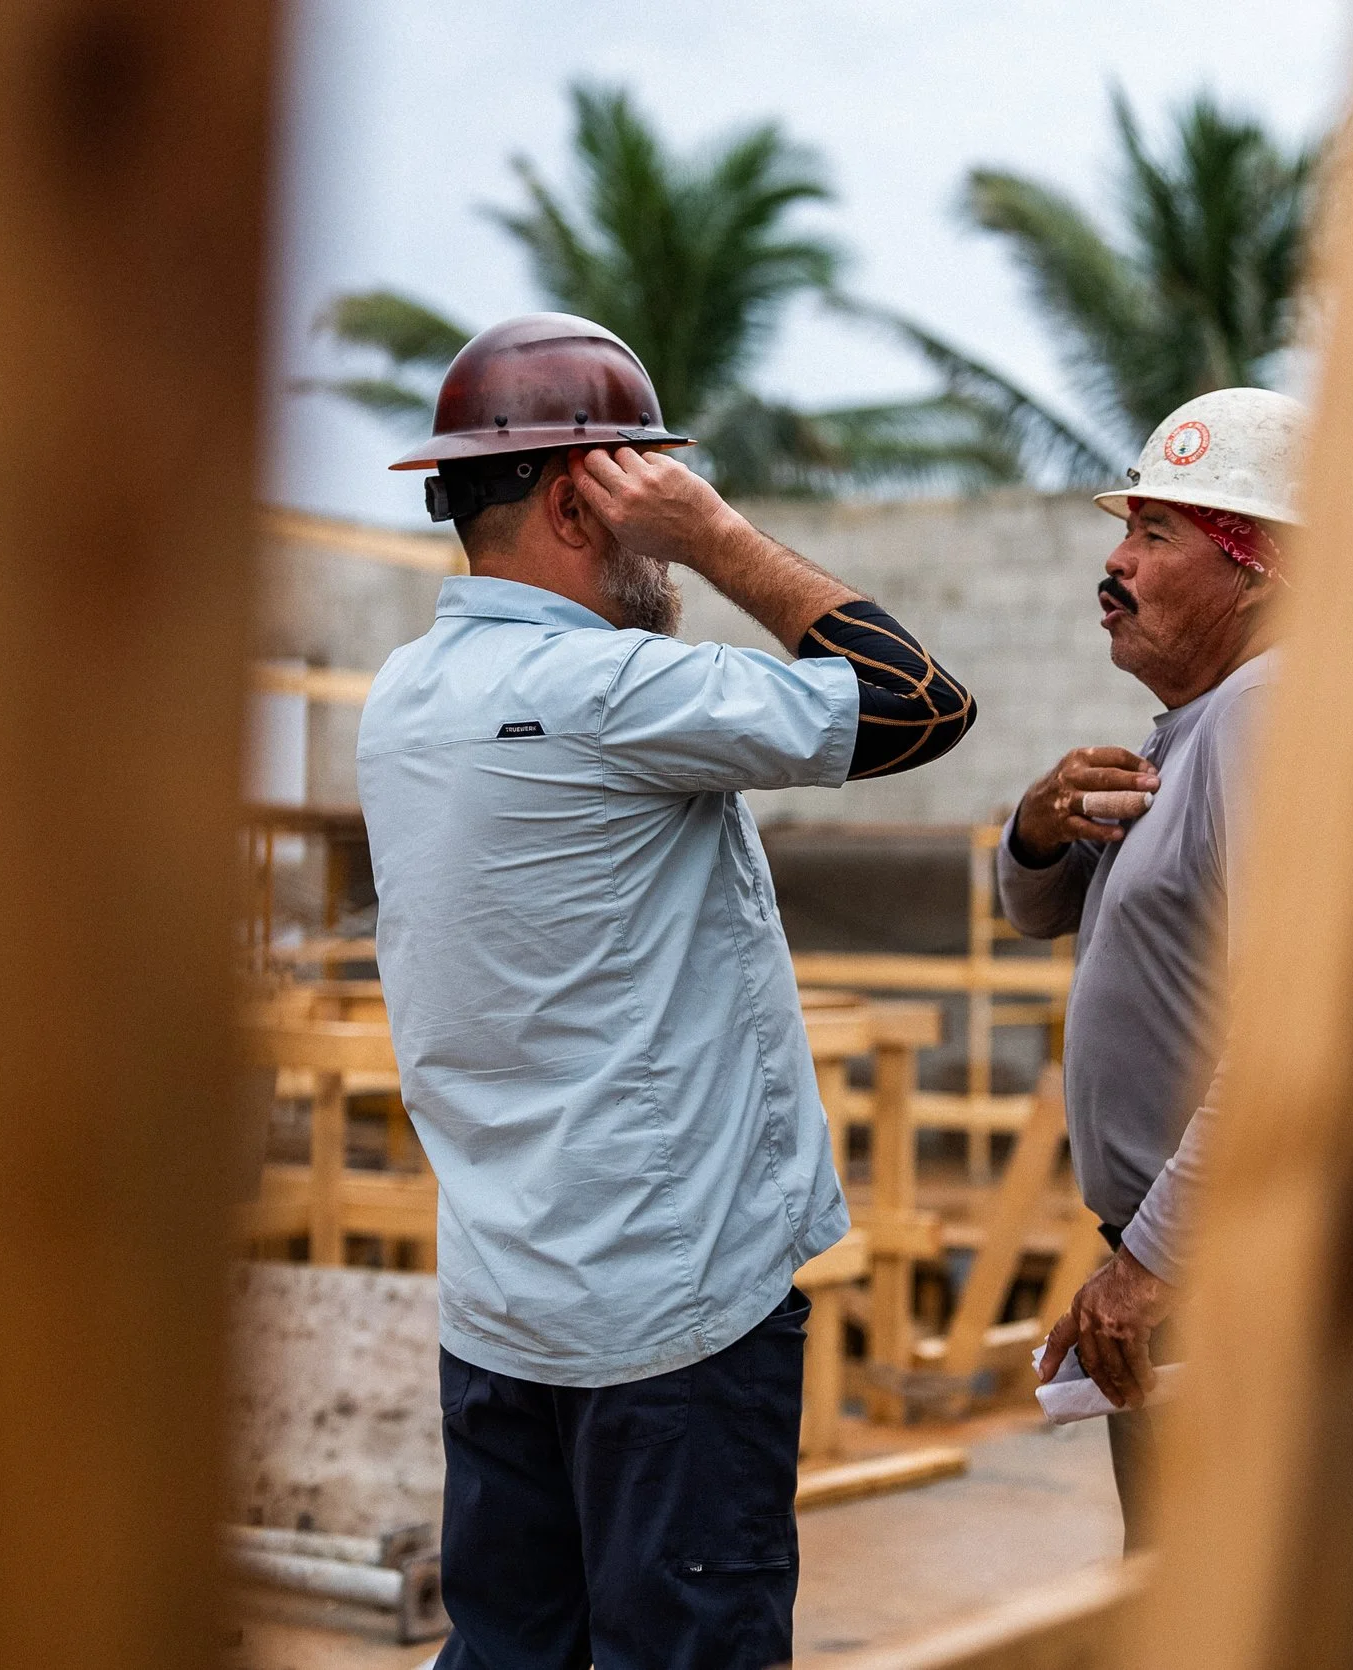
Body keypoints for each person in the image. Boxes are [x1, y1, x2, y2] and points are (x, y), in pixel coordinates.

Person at [357, 313, 975, 1670]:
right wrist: (717, 537)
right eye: (648, 493)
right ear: (588, 496)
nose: (668, 538)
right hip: (674, 1319)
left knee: (513, 1650)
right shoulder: (611, 688)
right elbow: (924, 701)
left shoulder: (399, 698)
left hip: (505, 1306)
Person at [1005, 388, 1353, 1571]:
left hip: (1262, 1263)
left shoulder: (1272, 717)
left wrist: (1149, 1260)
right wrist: (1040, 826)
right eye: (1127, 526)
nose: (1116, 559)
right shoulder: (1199, 722)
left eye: (1155, 536)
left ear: (1256, 572)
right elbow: (1042, 911)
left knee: (1269, 1616)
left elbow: (1303, 1028)